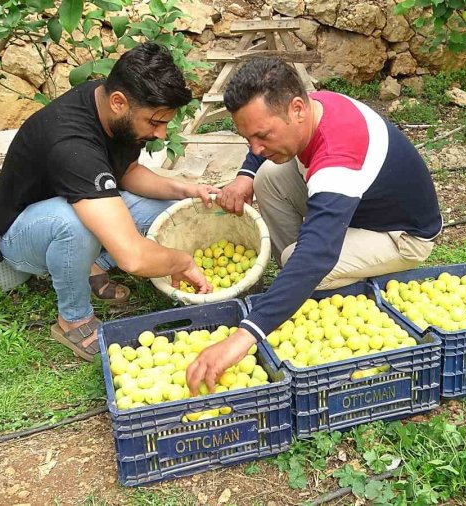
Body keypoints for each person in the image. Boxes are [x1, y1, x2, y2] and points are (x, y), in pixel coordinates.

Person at [186, 58, 442, 392]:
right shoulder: (315, 105)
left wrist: (243, 336)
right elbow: (261, 140)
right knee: (268, 178)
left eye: (262, 136)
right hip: (361, 207)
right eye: (248, 138)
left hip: (400, 235)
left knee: (301, 259)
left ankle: (299, 281)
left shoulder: (338, 158)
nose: (256, 147)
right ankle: (296, 287)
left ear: (296, 110)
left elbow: (318, 254)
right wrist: (246, 174)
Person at [0, 42, 214, 362]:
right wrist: (182, 262)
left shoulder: (112, 106)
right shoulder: (70, 142)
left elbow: (128, 171)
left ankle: (93, 264)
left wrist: (184, 190)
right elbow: (133, 258)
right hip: (24, 233)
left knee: (173, 211)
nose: (161, 134)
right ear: (119, 102)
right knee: (74, 224)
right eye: (155, 122)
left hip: (79, 202)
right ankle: (73, 320)